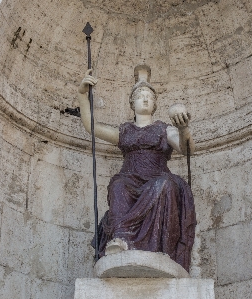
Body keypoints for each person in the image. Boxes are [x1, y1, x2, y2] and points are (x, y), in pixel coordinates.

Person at [77, 65, 196, 271]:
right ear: (132, 103)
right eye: (141, 95)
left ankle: (162, 248)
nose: (145, 99)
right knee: (118, 186)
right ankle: (121, 239)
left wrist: (184, 129)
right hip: (130, 178)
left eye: (149, 96)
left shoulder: (163, 129)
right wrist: (82, 94)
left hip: (157, 177)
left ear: (155, 104)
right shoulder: (125, 131)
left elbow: (186, 149)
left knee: (165, 186)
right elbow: (91, 126)